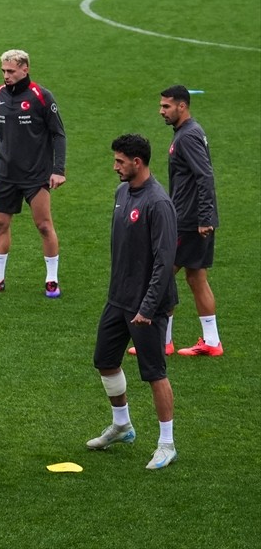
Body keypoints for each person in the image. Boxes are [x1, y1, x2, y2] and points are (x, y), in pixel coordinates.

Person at [87, 135, 179, 470]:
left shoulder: (158, 203)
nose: (115, 167)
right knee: (105, 360)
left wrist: (148, 307)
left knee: (154, 372)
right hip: (119, 299)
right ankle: (122, 425)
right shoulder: (122, 192)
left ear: (136, 162)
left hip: (147, 306)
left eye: (119, 161)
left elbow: (164, 260)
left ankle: (167, 444)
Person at [0, 49, 67, 297]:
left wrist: (58, 170)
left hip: (35, 173)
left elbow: (58, 134)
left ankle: (52, 280)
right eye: (3, 70)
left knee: (44, 225)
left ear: (25, 69)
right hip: (5, 172)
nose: (6, 75)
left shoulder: (41, 96)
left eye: (11, 71)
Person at [160, 85, 223, 357]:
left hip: (189, 220)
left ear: (182, 106)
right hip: (191, 218)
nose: (161, 111)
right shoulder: (188, 132)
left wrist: (205, 217)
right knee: (196, 277)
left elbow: (205, 176)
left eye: (166, 106)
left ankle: (163, 341)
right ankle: (211, 342)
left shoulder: (187, 136)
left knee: (160, 273)